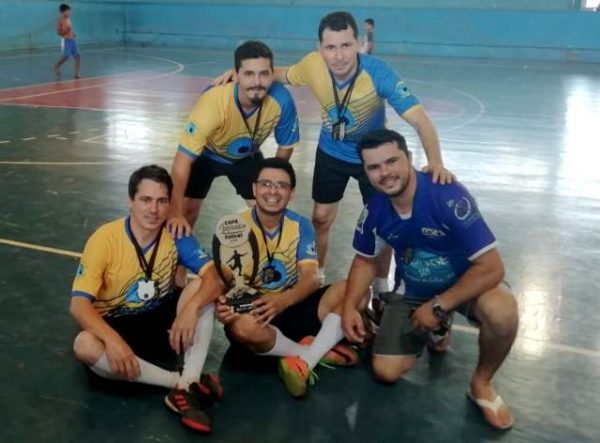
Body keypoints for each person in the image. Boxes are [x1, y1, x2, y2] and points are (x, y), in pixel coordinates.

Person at [212, 11, 454, 300]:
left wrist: (436, 162)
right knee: (321, 217)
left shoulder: (378, 73)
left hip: (372, 159)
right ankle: (316, 276)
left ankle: (380, 288)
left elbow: (420, 119)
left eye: (346, 46)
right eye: (330, 47)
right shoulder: (313, 65)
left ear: (358, 44)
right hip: (331, 153)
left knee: (385, 223)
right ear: (319, 48)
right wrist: (239, 76)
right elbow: (278, 73)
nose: (338, 56)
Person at [342, 129, 518, 430]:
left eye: (392, 161)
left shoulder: (447, 195)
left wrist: (438, 305)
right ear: (366, 172)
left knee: (502, 312)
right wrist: (348, 307)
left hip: (465, 284)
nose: (385, 173)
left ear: (409, 158)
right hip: (413, 289)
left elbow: (492, 267)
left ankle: (481, 384)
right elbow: (364, 260)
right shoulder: (374, 210)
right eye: (374, 167)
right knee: (385, 371)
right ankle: (439, 326)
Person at [70, 165, 224, 433]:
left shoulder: (176, 234)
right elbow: (79, 305)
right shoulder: (104, 239)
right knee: (84, 345)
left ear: (169, 205)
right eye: (146, 200)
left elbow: (215, 278)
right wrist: (113, 340)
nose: (154, 209)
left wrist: (191, 310)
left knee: (203, 287)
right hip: (117, 323)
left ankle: (188, 381)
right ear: (130, 201)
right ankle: (181, 383)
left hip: (162, 326)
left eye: (162, 201)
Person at [215, 157, 359, 398]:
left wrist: (282, 301)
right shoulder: (234, 229)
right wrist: (222, 306)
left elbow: (311, 278)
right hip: (258, 314)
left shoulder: (301, 225)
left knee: (355, 289)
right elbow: (222, 283)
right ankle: (312, 353)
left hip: (293, 304)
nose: (273, 191)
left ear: (291, 193)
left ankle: (301, 358)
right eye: (266, 184)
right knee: (242, 327)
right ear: (254, 189)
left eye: (281, 185)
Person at [168, 41, 300, 239]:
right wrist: (174, 212)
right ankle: (179, 259)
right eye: (249, 74)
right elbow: (182, 160)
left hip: (247, 157)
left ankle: (265, 257)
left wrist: (272, 182)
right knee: (184, 213)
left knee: (267, 215)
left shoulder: (282, 101)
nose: (257, 81)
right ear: (236, 75)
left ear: (273, 74)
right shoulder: (213, 101)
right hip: (206, 154)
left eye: (264, 74)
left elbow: (285, 147)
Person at [54, 3, 81, 79]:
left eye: (69, 11)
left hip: (72, 40)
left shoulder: (69, 19)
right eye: (67, 11)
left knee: (78, 56)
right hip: (66, 40)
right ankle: (57, 65)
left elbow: (69, 29)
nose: (69, 13)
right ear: (62, 12)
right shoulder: (60, 20)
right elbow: (58, 33)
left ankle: (76, 74)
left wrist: (72, 33)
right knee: (67, 56)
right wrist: (65, 31)